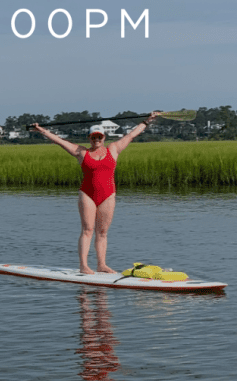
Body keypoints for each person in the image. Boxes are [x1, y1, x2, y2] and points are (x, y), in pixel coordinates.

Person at [31, 114, 162, 275]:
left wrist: (147, 121)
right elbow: (59, 141)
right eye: (94, 137)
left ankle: (102, 265)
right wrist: (40, 130)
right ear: (89, 138)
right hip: (87, 194)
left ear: (103, 137)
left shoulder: (113, 149)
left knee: (102, 232)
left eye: (99, 137)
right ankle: (83, 265)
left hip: (108, 195)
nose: (96, 140)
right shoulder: (81, 152)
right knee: (87, 230)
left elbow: (132, 135)